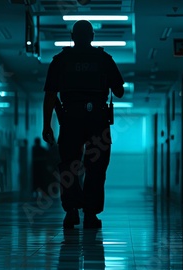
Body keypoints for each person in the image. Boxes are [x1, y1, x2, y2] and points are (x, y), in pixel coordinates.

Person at [42, 20, 124, 229]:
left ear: (72, 36)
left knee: (69, 165)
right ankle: (90, 214)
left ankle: (71, 211)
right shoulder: (104, 59)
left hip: (70, 120)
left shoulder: (60, 61)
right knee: (96, 167)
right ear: (92, 36)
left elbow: (50, 95)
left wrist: (46, 125)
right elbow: (119, 91)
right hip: (98, 120)